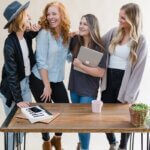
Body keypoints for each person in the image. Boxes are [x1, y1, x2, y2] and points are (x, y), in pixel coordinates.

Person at [101, 3, 148, 150]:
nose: (119, 20)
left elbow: (139, 71)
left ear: (132, 19)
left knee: (125, 119)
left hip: (126, 82)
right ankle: (112, 143)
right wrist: (80, 34)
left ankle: (123, 146)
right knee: (105, 116)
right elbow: (97, 43)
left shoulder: (141, 40)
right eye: (119, 16)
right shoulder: (114, 32)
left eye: (123, 17)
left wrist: (130, 94)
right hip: (108, 79)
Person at [29, 1, 71, 150]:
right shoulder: (44, 32)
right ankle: (46, 141)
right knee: (44, 112)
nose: (50, 17)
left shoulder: (66, 33)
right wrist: (46, 85)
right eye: (48, 14)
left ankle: (57, 139)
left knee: (65, 109)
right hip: (40, 78)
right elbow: (41, 61)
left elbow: (68, 57)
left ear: (62, 15)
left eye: (54, 13)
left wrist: (79, 42)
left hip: (56, 79)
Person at [0, 1, 40, 150]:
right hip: (11, 90)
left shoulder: (27, 36)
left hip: (25, 85)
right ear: (18, 19)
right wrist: (18, 100)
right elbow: (11, 74)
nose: (29, 15)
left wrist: (38, 27)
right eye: (25, 14)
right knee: (13, 124)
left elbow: (37, 29)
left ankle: (18, 145)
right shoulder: (9, 43)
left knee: (25, 120)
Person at [68, 14, 107, 150]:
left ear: (92, 26)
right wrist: (69, 34)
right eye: (80, 23)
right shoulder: (75, 41)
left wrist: (81, 65)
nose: (81, 26)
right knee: (79, 122)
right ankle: (82, 144)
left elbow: (101, 72)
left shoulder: (100, 47)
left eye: (85, 24)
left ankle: (85, 148)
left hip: (88, 90)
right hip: (74, 87)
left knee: (85, 123)